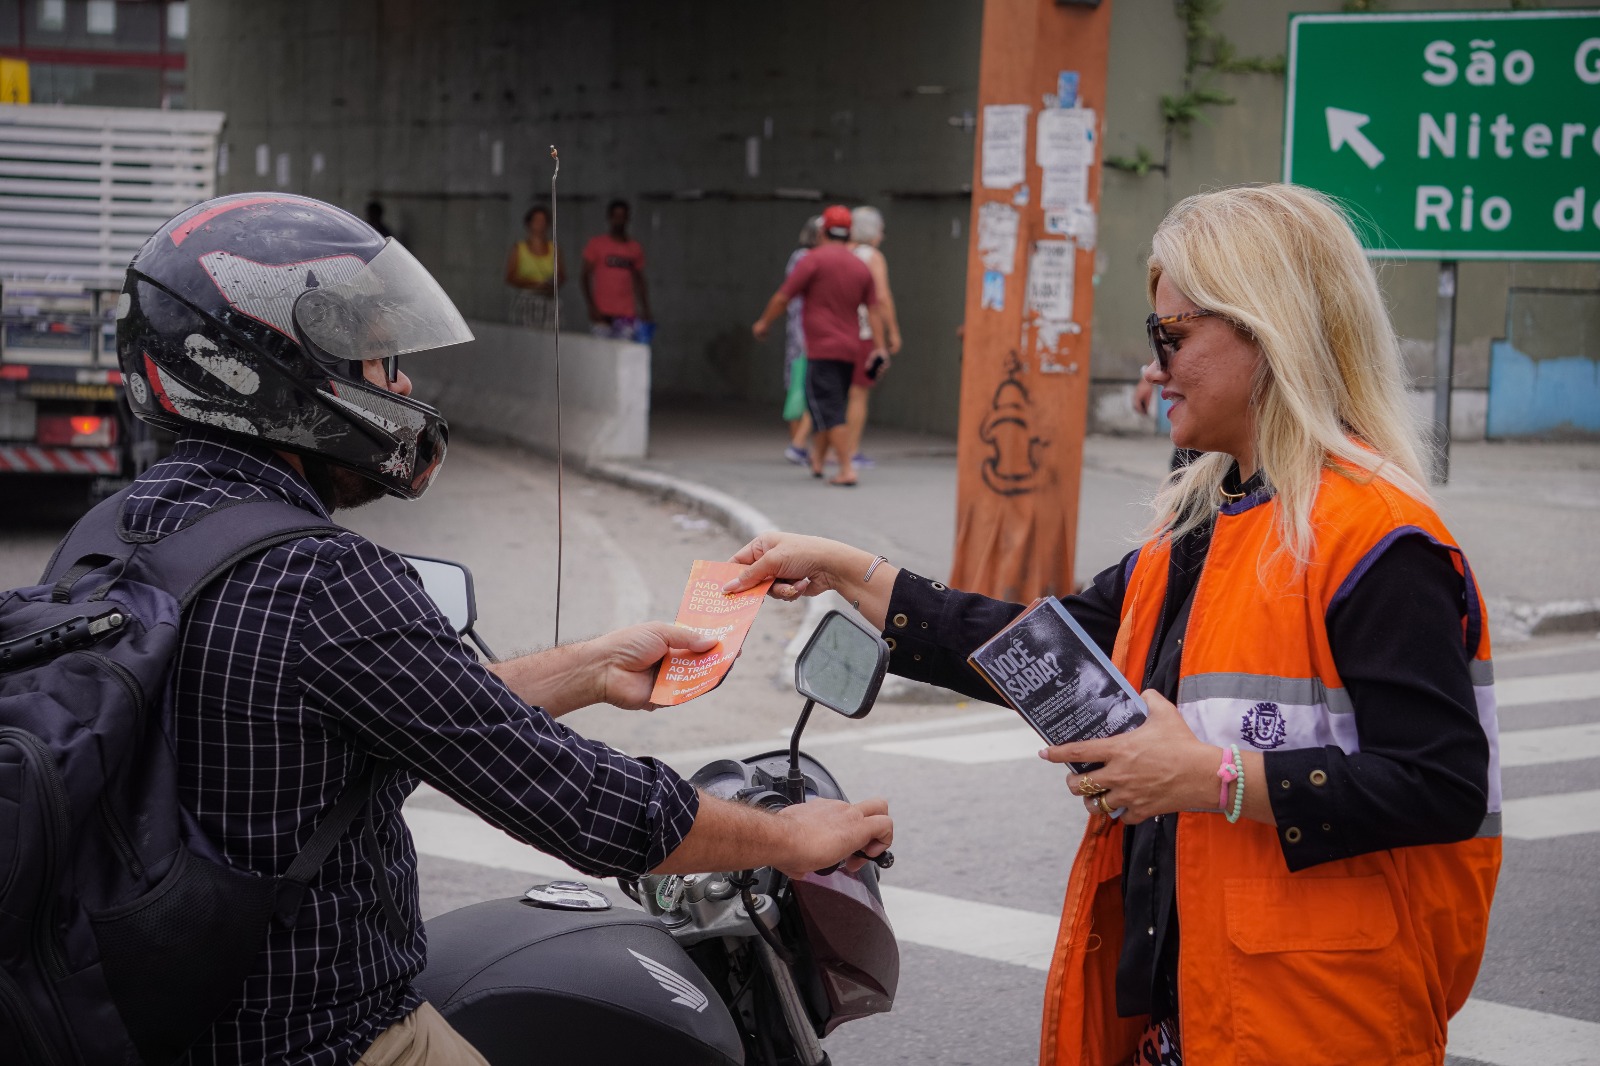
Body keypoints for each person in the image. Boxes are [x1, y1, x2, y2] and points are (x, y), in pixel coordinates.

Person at [723, 184, 1500, 1066]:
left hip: (1319, 1028)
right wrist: (843, 568)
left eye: (1173, 337)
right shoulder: (1203, 528)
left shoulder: (1380, 541)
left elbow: (1440, 785)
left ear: (1268, 330)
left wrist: (1211, 778)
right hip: (1193, 1020)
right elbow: (1032, 652)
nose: (1154, 368)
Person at [110, 192, 892, 1065]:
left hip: (147, 1019)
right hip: (312, 1035)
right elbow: (577, 801)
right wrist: (794, 838)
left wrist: (592, 667)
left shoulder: (117, 536)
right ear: (271, 369)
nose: (400, 386)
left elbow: (409, 711)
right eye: (375, 360)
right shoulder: (320, 579)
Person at [752, 204, 885, 488]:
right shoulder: (859, 266)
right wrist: (880, 346)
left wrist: (764, 323)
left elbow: (783, 297)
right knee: (828, 404)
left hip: (822, 347)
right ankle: (818, 461)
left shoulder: (813, 260)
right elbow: (874, 309)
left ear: (823, 231)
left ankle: (846, 468)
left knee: (828, 407)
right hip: (850, 348)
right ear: (849, 233)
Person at [846, 206, 901, 470]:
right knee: (859, 393)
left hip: (838, 329)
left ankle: (823, 449)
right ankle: (850, 452)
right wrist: (893, 331)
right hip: (864, 331)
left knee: (833, 391)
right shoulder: (872, 256)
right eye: (880, 230)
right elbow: (880, 298)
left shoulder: (840, 253)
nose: (882, 236)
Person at [782, 215, 822, 465]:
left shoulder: (801, 257)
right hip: (805, 331)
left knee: (797, 386)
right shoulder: (806, 258)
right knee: (804, 386)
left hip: (801, 330)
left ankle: (800, 445)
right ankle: (798, 444)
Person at [582, 198, 650, 338]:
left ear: (628, 219)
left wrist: (646, 308)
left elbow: (639, 280)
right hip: (602, 312)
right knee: (600, 350)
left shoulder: (635, 248)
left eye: (622, 216)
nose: (619, 220)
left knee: (624, 350)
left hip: (626, 314)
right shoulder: (596, 244)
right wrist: (591, 307)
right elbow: (584, 276)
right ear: (609, 218)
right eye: (616, 216)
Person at [504, 204, 565, 330]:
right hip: (526, 301)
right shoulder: (519, 248)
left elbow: (561, 275)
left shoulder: (554, 249)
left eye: (543, 221)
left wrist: (551, 284)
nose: (540, 224)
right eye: (537, 221)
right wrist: (535, 284)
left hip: (549, 301)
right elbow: (510, 277)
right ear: (529, 224)